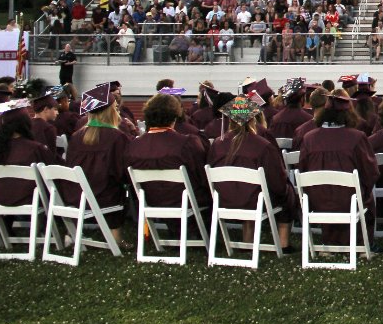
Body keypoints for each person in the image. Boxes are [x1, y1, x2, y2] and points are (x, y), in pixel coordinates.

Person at [208, 94, 297, 251]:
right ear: (252, 119)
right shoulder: (263, 145)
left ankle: (247, 240)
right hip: (255, 201)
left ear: (230, 119)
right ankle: (283, 243)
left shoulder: (217, 144)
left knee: (245, 189)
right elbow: (277, 183)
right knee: (287, 191)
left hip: (224, 200)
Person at [298, 94, 378, 247]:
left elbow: (302, 169)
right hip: (349, 200)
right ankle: (361, 244)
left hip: (317, 201)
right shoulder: (357, 137)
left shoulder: (309, 138)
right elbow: (370, 171)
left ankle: (329, 242)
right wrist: (365, 190)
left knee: (328, 193)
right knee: (366, 197)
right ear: (349, 114)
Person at [124, 90, 211, 226]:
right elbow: (201, 175)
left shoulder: (134, 145)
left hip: (150, 201)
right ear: (175, 116)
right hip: (187, 201)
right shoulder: (187, 143)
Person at [66, 83, 129, 245]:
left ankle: (70, 233)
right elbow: (121, 171)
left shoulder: (76, 137)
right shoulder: (116, 137)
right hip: (105, 197)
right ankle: (115, 237)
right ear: (110, 111)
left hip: (76, 195)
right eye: (115, 108)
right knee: (119, 188)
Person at [0, 101, 56, 214]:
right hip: (31, 202)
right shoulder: (35, 148)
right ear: (26, 123)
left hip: (1, 201)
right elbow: (52, 172)